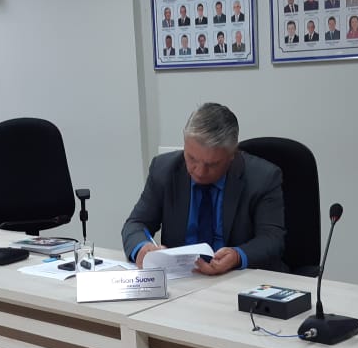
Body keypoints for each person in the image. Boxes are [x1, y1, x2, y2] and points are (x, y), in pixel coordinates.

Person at [122, 102, 285, 274]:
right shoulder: (163, 170)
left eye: (212, 164)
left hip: (237, 277)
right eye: (192, 158)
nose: (199, 172)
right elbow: (136, 223)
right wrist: (142, 247)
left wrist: (237, 256)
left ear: (232, 155)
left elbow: (272, 239)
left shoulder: (263, 178)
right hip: (182, 278)